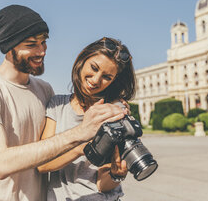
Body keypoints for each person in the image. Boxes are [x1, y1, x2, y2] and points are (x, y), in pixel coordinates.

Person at [0, 5, 126, 201]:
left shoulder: (44, 90)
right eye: (31, 44)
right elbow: (0, 163)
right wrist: (81, 134)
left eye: (43, 42)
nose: (42, 51)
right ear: (9, 47)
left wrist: (114, 105)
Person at [38, 37, 136, 201]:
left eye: (107, 77)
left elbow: (101, 184)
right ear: (82, 60)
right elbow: (42, 164)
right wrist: (83, 148)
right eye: (94, 68)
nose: (96, 80)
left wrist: (115, 175)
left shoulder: (113, 112)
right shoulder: (57, 105)